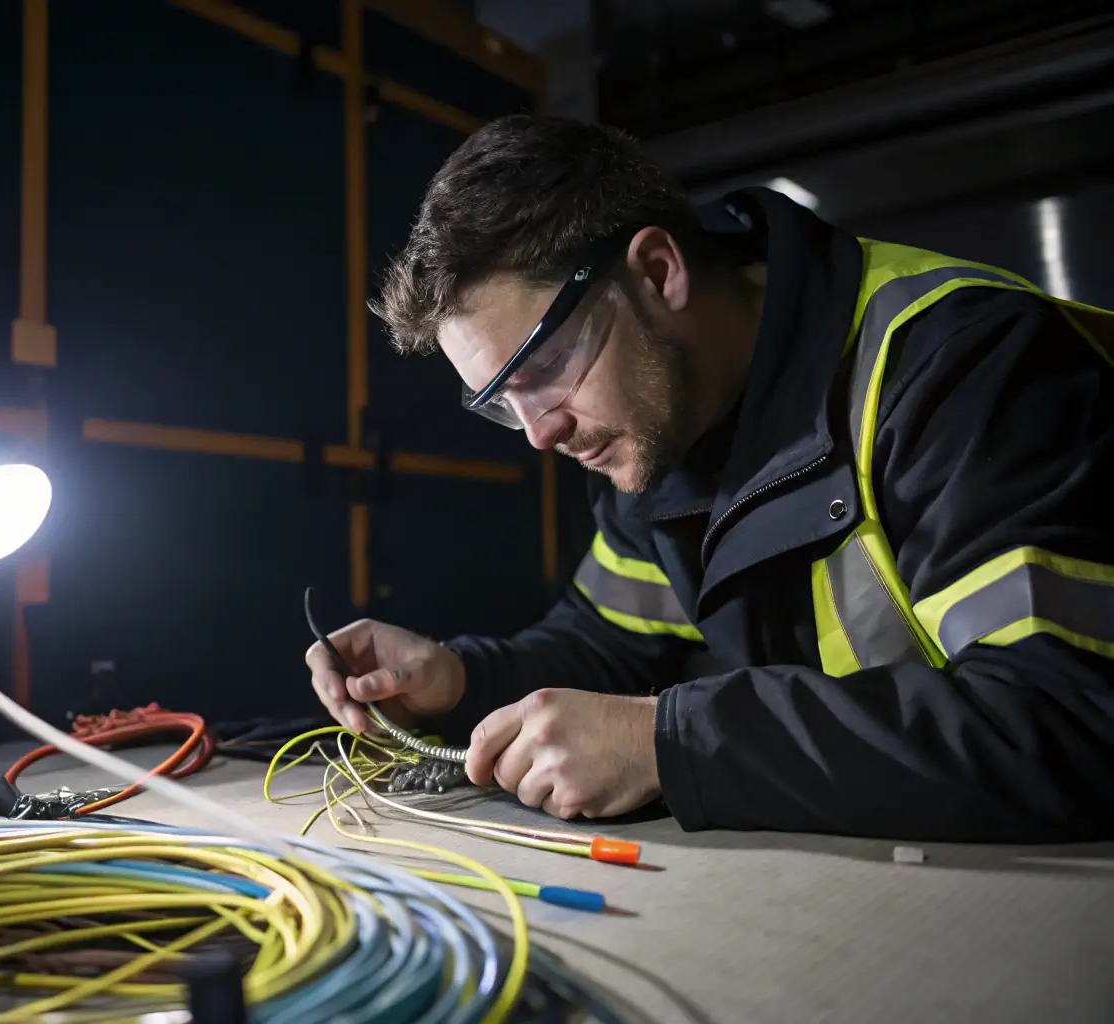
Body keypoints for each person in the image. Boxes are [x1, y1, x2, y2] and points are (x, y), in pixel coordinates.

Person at [304, 115, 1114, 842]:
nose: (541, 433)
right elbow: (608, 647)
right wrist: (457, 677)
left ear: (658, 271)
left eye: (545, 366)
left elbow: (1064, 718)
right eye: (502, 405)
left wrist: (670, 742)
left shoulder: (961, 366)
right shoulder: (656, 424)